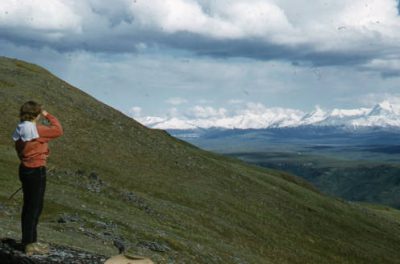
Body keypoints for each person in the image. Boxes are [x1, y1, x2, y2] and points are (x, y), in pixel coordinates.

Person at [11, 101, 63, 252]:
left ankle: (28, 241)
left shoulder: (20, 128)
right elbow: (58, 130)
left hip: (25, 169)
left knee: (29, 206)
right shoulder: (37, 129)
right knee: (35, 208)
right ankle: (30, 244)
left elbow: (20, 148)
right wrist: (48, 115)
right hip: (36, 170)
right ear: (37, 114)